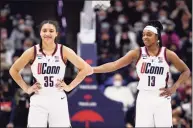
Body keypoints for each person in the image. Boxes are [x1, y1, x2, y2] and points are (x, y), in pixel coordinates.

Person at [92, 20, 190, 127]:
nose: (145, 37)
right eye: (143, 35)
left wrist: (174, 87)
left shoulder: (167, 54)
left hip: (161, 97)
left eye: (149, 34)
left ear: (157, 37)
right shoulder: (137, 52)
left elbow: (186, 71)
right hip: (144, 96)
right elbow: (114, 65)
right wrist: (93, 69)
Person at [9, 20, 93, 127]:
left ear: (56, 33)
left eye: (51, 31)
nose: (47, 33)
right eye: (44, 30)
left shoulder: (64, 50)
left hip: (58, 98)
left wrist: (69, 87)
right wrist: (27, 88)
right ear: (40, 33)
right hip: (38, 99)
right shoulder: (32, 51)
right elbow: (13, 70)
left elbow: (85, 69)